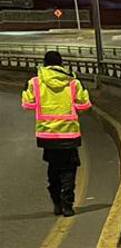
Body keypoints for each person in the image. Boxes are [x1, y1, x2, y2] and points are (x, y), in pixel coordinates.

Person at [21, 50, 91, 217]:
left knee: (53, 168)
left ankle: (56, 203)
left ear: (44, 64)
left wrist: (26, 91)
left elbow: (27, 104)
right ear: (61, 64)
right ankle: (68, 205)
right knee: (69, 168)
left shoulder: (35, 82)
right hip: (69, 134)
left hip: (47, 134)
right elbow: (85, 105)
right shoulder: (73, 82)